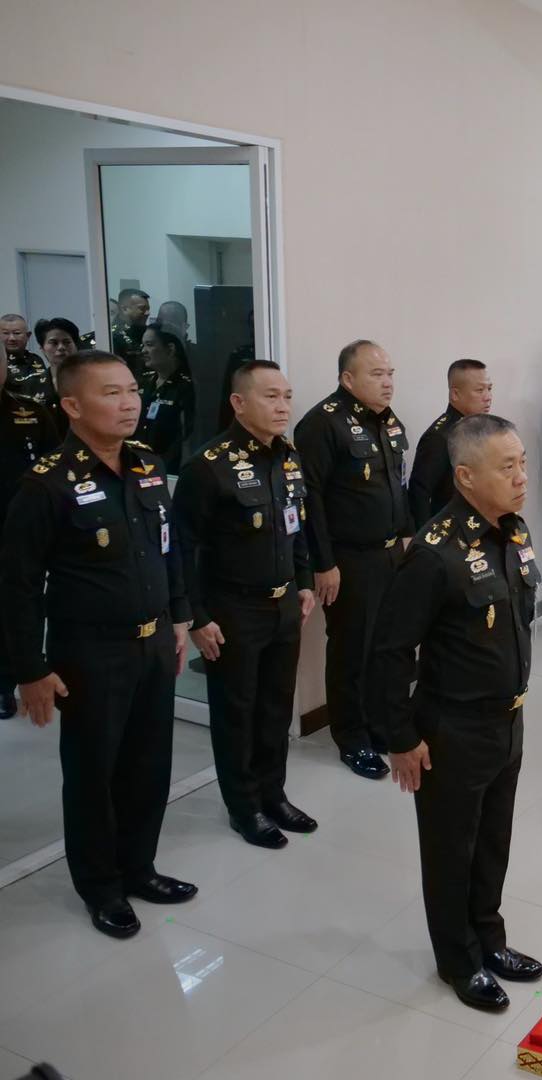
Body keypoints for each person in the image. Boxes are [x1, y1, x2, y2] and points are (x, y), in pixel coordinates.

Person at [0, 350, 197, 939]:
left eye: (132, 389)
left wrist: (179, 616)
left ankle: (139, 867)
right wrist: (29, 669)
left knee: (148, 764)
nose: (129, 402)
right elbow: (17, 586)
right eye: (111, 393)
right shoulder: (46, 484)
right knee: (93, 774)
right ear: (72, 405)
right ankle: (101, 886)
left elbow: (169, 548)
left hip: (153, 642)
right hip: (90, 653)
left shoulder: (148, 464)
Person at [370, 414, 542, 1013]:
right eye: (507, 467)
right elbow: (390, 652)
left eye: (522, 462)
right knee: (451, 851)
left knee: (493, 839)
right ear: (466, 476)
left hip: (507, 720)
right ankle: (458, 961)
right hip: (452, 729)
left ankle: (489, 940)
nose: (521, 477)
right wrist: (400, 738)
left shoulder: (513, 532)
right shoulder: (434, 553)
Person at [174, 360, 318, 849]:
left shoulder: (288, 457)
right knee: (237, 712)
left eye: (286, 396)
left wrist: (303, 581)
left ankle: (273, 794)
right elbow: (183, 550)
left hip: (283, 605)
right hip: (233, 610)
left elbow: (296, 525)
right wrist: (196, 617)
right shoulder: (207, 466)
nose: (282, 406)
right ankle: (244, 807)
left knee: (276, 707)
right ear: (238, 402)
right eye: (270, 396)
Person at [295, 339, 413, 779]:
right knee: (351, 649)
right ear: (348, 378)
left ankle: (379, 726)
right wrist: (323, 563)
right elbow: (310, 500)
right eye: (376, 374)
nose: (387, 382)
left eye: (390, 373)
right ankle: (351, 737)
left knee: (385, 646)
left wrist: (407, 535)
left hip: (390, 553)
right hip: (349, 559)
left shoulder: (388, 420)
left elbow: (397, 484)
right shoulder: (322, 424)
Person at [0, 356, 62, 718]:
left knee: (22, 601)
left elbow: (54, 465)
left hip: (23, 525)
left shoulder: (31, 411)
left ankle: (11, 677)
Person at [408, 359, 493, 524]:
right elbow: (419, 494)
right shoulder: (439, 437)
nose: (488, 397)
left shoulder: (482, 428)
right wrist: (426, 537)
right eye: (479, 390)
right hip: (451, 529)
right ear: (455, 394)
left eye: (489, 389)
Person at [136, 326, 196, 473]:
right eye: (143, 345)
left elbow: (187, 437)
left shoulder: (186, 386)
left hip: (170, 469)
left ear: (170, 349)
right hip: (139, 464)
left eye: (149, 345)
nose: (143, 350)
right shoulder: (144, 382)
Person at [2, 314, 57, 418]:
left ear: (28, 336)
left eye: (17, 333)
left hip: (38, 415)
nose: (11, 338)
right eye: (5, 333)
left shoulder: (36, 359)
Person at [33, 317, 80, 422]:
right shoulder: (31, 385)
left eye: (67, 342)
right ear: (42, 348)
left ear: (76, 345)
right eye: (54, 343)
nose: (61, 347)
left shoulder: (91, 381)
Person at [110, 289, 150, 375]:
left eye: (148, 309)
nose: (148, 313)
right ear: (125, 309)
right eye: (142, 308)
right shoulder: (112, 336)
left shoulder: (148, 332)